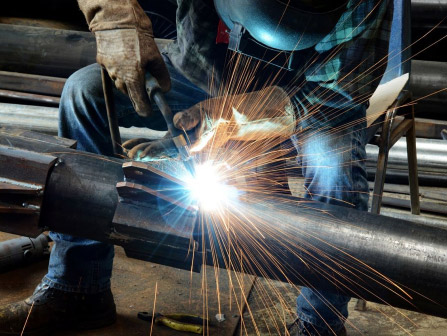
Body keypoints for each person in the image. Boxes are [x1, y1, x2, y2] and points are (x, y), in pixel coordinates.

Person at [0, 0, 392, 335]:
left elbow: (336, 94)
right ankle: (78, 289)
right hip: (202, 69)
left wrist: (232, 119)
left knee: (335, 168)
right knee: (85, 92)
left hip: (308, 92)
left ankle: (318, 325)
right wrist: (116, 18)